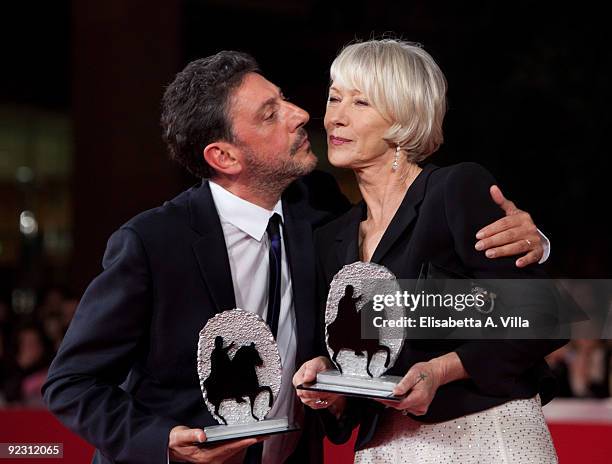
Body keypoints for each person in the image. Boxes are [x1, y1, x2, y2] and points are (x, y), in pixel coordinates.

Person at [43, 50, 548, 464]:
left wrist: (537, 244)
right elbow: (72, 382)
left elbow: (535, 311)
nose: (307, 114)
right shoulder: (152, 243)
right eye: (271, 113)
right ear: (225, 157)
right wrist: (162, 443)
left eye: (284, 98)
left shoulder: (318, 211)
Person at [293, 39, 566, 463]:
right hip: (385, 450)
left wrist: (440, 371)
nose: (336, 117)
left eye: (361, 102)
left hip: (483, 438)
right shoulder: (331, 239)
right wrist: (327, 386)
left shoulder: (453, 190)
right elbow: (357, 380)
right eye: (334, 98)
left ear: (403, 119)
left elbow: (543, 315)